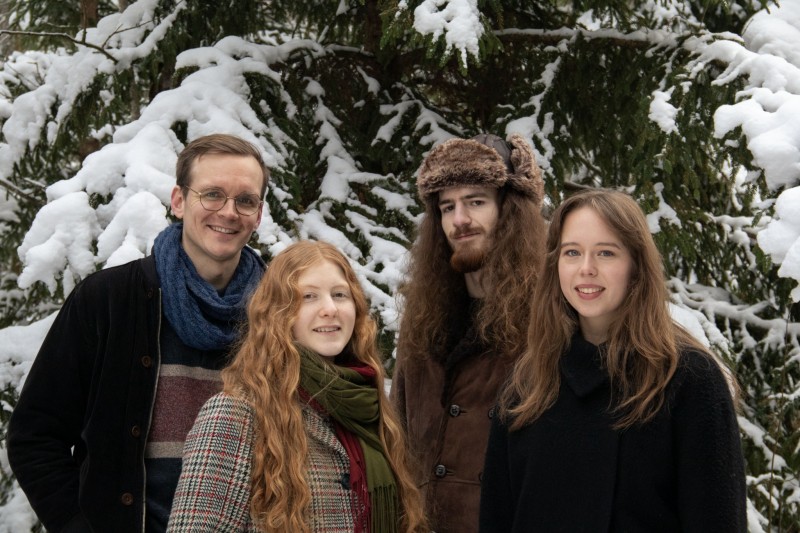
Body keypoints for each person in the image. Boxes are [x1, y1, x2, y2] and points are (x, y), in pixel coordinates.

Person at [7, 133, 269, 533]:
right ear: (178, 201)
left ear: (259, 213)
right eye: (212, 194)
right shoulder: (109, 300)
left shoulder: (279, 313)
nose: (229, 212)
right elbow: (35, 435)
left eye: (245, 200)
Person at [480, 188, 747, 532]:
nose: (586, 269)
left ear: (636, 265)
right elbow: (497, 519)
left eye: (606, 253)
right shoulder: (527, 384)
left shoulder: (688, 379)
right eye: (572, 252)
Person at [166, 240, 427, 533]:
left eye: (340, 294)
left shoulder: (370, 407)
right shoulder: (234, 414)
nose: (330, 309)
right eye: (309, 296)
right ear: (278, 312)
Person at [391, 133, 547, 532]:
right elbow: (397, 442)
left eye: (476, 202)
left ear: (510, 210)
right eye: (447, 207)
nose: (459, 220)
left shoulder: (550, 319)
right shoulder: (423, 319)